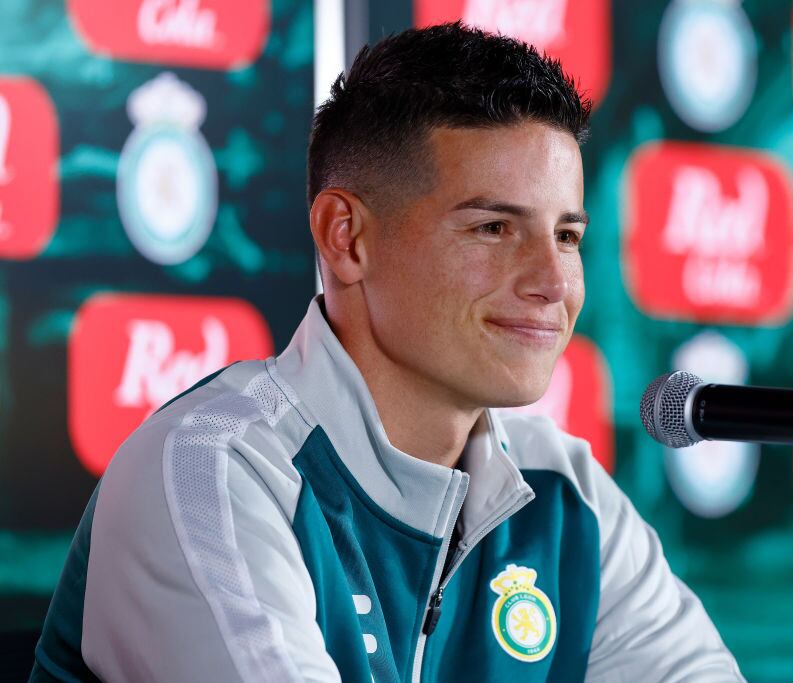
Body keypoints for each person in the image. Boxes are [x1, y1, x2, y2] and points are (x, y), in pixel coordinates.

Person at [31, 22, 744, 682]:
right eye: (494, 228)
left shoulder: (566, 491)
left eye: (566, 236)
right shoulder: (210, 468)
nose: (553, 283)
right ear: (346, 237)